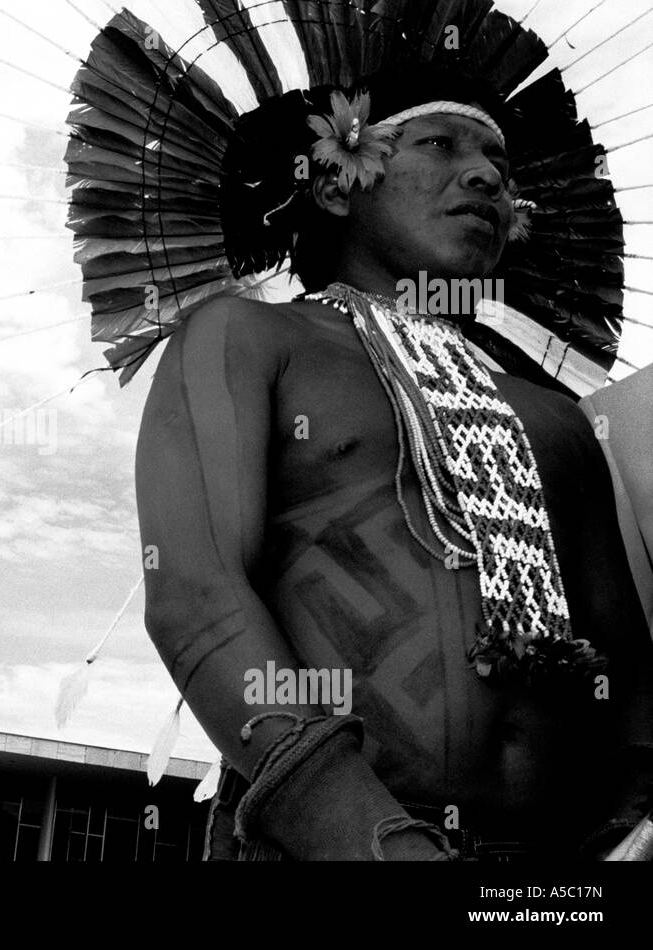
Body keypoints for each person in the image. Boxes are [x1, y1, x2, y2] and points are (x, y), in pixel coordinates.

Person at [135, 67, 653, 860]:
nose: (485, 175)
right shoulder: (245, 340)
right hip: (322, 840)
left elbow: (627, 677)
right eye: (440, 145)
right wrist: (372, 842)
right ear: (340, 186)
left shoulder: (557, 417)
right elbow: (197, 599)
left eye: (500, 167)